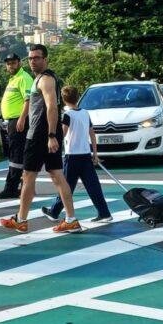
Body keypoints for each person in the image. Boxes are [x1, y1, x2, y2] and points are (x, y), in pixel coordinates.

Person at [0, 44, 82, 234]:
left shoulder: (45, 80)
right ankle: (70, 219)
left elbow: (52, 107)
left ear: (45, 59)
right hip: (42, 134)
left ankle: (21, 220)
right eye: (30, 58)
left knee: (29, 176)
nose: (33, 61)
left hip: (39, 135)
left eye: (37, 58)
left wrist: (51, 135)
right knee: (55, 175)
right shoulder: (40, 78)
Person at [42, 86, 112, 223]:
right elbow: (92, 133)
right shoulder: (85, 113)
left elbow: (63, 134)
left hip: (72, 156)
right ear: (77, 97)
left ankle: (54, 211)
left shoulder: (68, 115)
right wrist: (95, 154)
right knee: (93, 186)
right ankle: (104, 213)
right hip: (86, 154)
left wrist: (53, 142)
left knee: (66, 186)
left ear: (63, 99)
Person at [0, 53, 34, 199]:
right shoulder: (14, 79)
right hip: (13, 121)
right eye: (8, 63)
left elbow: (28, 100)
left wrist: (22, 118)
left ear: (19, 63)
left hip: (19, 121)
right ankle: (20, 185)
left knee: (16, 156)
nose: (10, 65)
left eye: (13, 63)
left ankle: (11, 187)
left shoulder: (24, 78)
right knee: (15, 154)